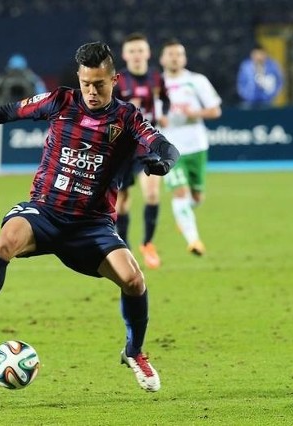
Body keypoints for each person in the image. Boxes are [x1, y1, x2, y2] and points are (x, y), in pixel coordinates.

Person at [0, 42, 180, 392]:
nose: (92, 92)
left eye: (100, 84)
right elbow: (4, 112)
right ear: (79, 78)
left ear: (114, 79)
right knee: (6, 240)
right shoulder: (60, 101)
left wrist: (162, 161)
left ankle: (134, 351)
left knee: (134, 281)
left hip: (92, 226)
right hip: (44, 211)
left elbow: (165, 146)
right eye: (86, 83)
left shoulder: (127, 118)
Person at [159, 39, 222, 256]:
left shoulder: (197, 81)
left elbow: (215, 111)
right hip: (168, 149)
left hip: (196, 145)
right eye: (170, 54)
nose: (174, 58)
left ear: (184, 58)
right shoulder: (155, 85)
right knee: (180, 193)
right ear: (162, 59)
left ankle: (183, 216)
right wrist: (158, 119)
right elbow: (145, 114)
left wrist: (195, 114)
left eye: (178, 54)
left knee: (196, 198)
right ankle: (193, 241)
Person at [113, 32, 170, 269]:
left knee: (153, 193)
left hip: (147, 144)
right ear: (125, 55)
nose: (137, 55)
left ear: (147, 53)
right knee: (123, 200)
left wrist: (164, 113)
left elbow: (165, 99)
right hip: (124, 147)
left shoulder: (156, 78)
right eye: (132, 51)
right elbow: (107, 110)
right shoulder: (118, 81)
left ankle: (148, 243)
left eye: (140, 50)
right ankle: (124, 247)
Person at [236, 43, 283, 109]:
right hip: (249, 103)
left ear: (265, 54)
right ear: (252, 55)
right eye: (256, 54)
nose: (258, 57)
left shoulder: (272, 66)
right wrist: (248, 96)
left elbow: (279, 82)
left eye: (260, 54)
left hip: (268, 102)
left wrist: (270, 95)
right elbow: (241, 84)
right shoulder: (246, 67)